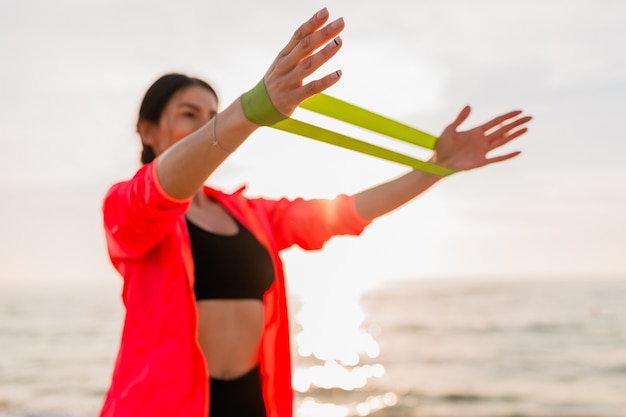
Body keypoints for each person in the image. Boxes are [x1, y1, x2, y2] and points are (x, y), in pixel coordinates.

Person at [99, 7, 531, 417]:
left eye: (213, 115)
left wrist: (435, 169)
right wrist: (247, 112)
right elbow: (158, 191)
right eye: (189, 115)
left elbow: (344, 214)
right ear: (148, 130)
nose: (208, 125)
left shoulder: (249, 214)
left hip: (253, 403)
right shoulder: (126, 207)